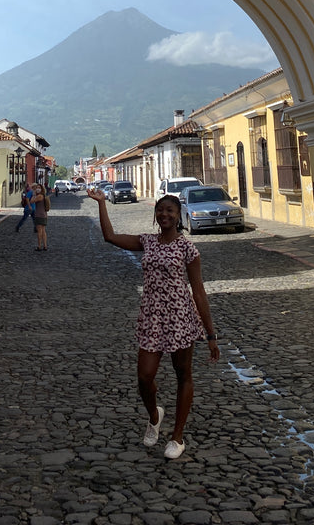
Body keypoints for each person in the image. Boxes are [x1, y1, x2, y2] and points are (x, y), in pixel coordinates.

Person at [88, 188, 219, 460]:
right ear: (156, 215)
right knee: (144, 377)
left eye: (170, 210)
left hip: (180, 317)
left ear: (178, 216)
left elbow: (198, 291)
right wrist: (102, 203)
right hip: (152, 317)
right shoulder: (147, 242)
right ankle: (154, 415)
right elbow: (110, 237)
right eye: (160, 210)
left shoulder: (188, 249)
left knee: (183, 375)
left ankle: (177, 437)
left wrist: (210, 333)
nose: (164, 214)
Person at [33, 183, 49, 251]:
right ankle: (45, 246)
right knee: (43, 231)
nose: (37, 189)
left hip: (39, 215)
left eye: (38, 187)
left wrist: (34, 194)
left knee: (39, 231)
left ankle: (39, 246)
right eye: (37, 187)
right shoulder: (43, 196)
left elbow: (32, 201)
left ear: (41, 189)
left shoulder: (39, 196)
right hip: (44, 215)